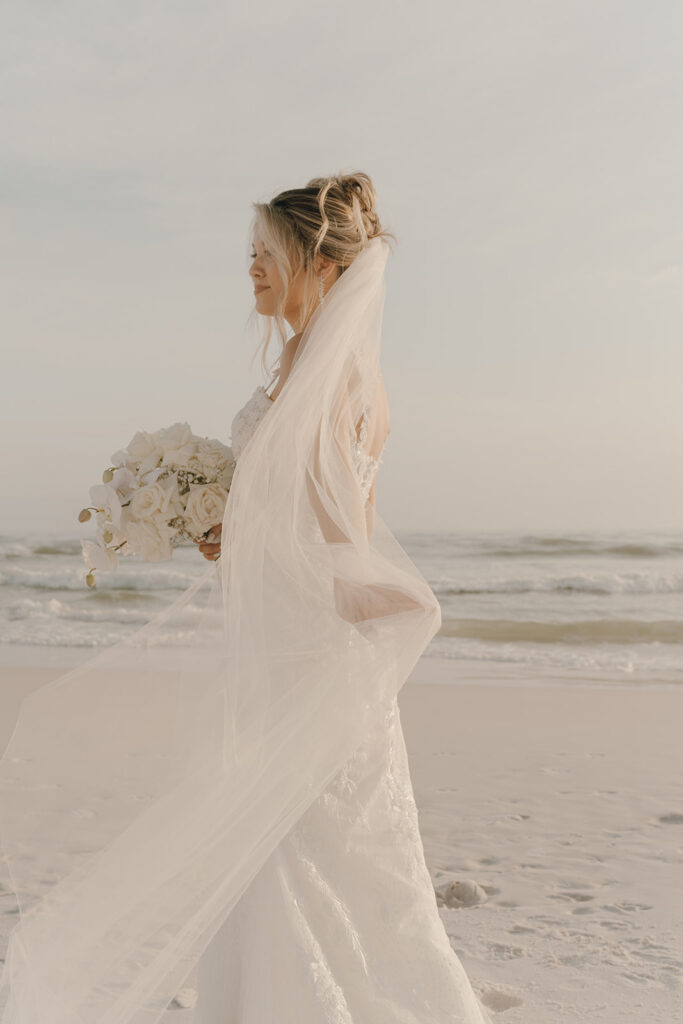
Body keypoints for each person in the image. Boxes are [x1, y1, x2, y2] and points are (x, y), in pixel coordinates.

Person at [0, 173, 493, 1024]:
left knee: (315, 842)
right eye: (250, 254)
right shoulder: (294, 365)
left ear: (319, 263)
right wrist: (221, 530)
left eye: (266, 253)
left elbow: (347, 538)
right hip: (268, 640)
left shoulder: (342, 384)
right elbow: (291, 522)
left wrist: (366, 606)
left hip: (309, 649)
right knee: (270, 837)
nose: (252, 268)